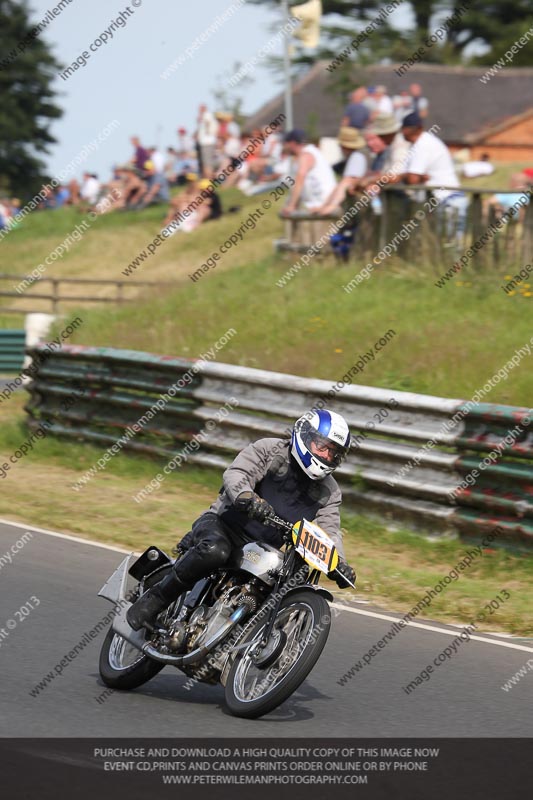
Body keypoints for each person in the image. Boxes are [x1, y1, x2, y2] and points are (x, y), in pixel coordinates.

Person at [127, 410, 357, 631]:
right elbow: (237, 473)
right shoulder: (270, 449)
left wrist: (338, 563)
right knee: (215, 551)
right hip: (224, 525)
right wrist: (247, 496)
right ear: (304, 435)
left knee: (289, 583)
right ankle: (154, 600)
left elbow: (330, 531)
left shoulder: (330, 491)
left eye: (334, 453)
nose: (327, 456)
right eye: (322, 446)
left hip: (263, 550)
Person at [280, 129, 337, 215]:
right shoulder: (310, 152)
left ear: (292, 143)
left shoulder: (306, 155)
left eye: (285, 143)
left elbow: (300, 179)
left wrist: (291, 206)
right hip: (321, 203)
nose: (283, 146)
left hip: (323, 204)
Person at [315, 126, 368, 215]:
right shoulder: (354, 157)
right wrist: (325, 205)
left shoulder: (356, 157)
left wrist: (331, 206)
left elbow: (346, 183)